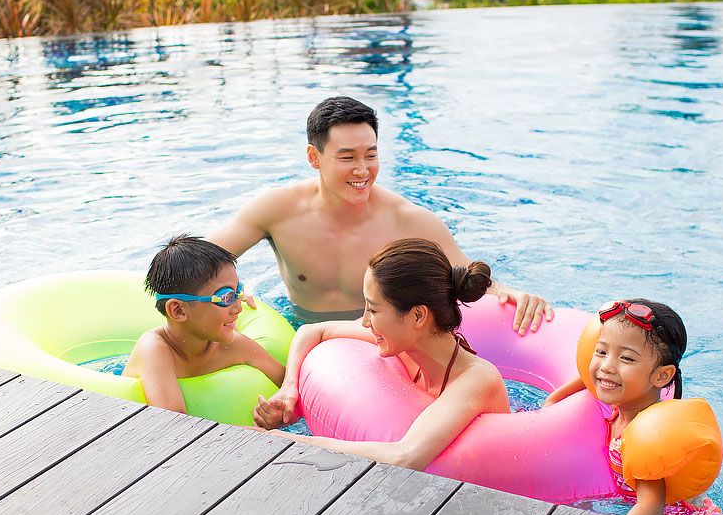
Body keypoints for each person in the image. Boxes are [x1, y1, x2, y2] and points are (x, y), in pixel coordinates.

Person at [208, 95, 553, 335]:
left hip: (373, 338)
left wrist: (514, 294)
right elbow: (198, 258)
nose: (363, 171)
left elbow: (468, 279)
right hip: (298, 332)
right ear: (314, 157)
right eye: (347, 157)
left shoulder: (409, 220)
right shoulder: (276, 210)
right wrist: (229, 291)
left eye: (370, 155)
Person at [253, 238, 510, 470]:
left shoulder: (478, 378)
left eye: (373, 310)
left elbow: (406, 457)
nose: (364, 321)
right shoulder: (406, 346)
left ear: (418, 316)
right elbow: (314, 331)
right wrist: (290, 390)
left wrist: (283, 440)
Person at [543, 298, 723, 515]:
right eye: (601, 352)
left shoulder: (645, 435)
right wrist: (554, 401)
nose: (606, 367)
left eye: (626, 359)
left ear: (661, 376)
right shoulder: (622, 401)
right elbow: (584, 380)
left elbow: (651, 506)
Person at [126, 235, 284, 412]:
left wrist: (281, 413)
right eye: (225, 297)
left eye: (238, 292)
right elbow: (174, 423)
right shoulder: (154, 349)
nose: (238, 308)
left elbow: (290, 388)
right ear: (178, 311)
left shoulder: (232, 344)